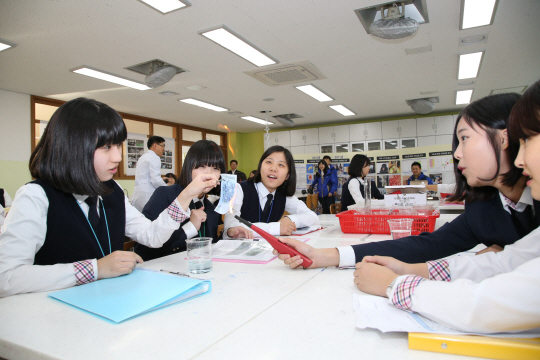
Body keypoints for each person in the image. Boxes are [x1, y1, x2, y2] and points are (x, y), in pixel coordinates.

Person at [354, 79, 540, 334]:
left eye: (528, 139)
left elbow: (492, 303)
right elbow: (504, 263)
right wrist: (410, 270)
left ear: (503, 138)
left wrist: (396, 284)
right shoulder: (483, 205)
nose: (520, 157)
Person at [275, 92, 539, 268]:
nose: (457, 154)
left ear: (505, 137)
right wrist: (326, 255)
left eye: (465, 138)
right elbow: (426, 244)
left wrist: (507, 262)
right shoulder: (483, 207)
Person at [0, 98, 219, 298]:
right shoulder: (36, 196)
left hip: (108, 302)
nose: (117, 157)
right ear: (74, 147)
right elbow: (6, 277)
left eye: (118, 146)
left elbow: (152, 235)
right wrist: (95, 269)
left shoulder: (111, 191)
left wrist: (185, 195)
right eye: (106, 147)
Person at [135, 140, 225, 261]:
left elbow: (210, 248)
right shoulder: (165, 195)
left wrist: (229, 235)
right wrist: (190, 228)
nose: (209, 174)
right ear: (189, 166)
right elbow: (143, 249)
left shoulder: (211, 208)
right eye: (202, 166)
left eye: (216, 168)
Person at [224, 146, 319, 238]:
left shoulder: (283, 195)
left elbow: (313, 218)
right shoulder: (237, 189)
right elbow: (231, 229)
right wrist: (276, 228)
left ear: (287, 176)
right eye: (269, 162)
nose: (273, 168)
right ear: (260, 167)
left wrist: (290, 219)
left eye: (281, 165)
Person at [131, 136, 167, 211]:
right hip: (148, 195)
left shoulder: (143, 157)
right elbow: (155, 180)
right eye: (162, 146)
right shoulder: (154, 157)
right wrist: (168, 189)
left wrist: (161, 180)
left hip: (139, 195)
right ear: (155, 146)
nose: (163, 149)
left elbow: (145, 177)